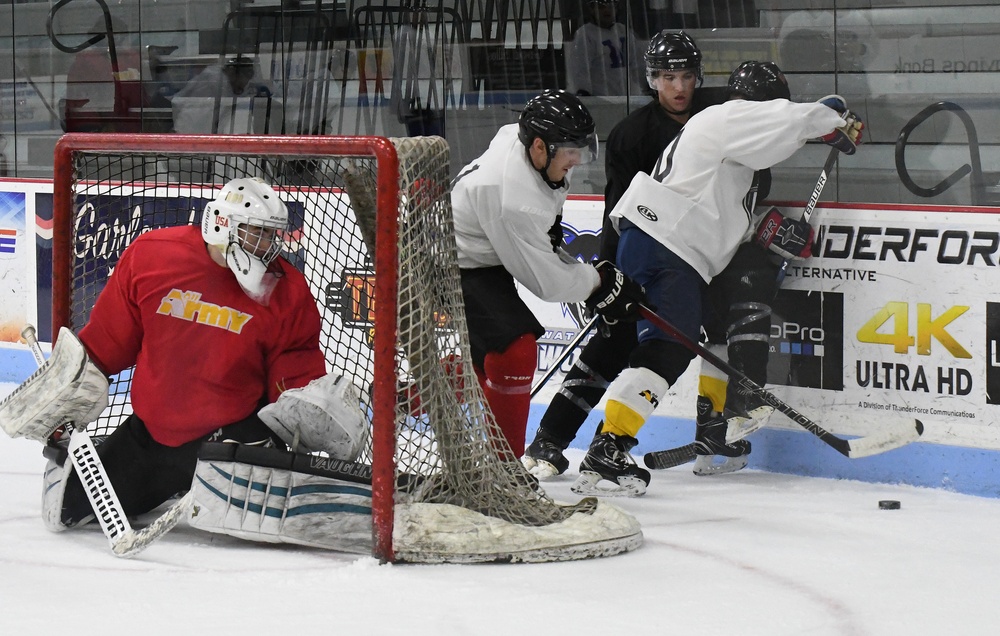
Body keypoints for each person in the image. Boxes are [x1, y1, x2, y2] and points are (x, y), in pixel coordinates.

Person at [5, 177, 367, 532]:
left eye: (273, 235)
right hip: (152, 437)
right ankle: (162, 479)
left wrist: (308, 406)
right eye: (260, 233)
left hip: (232, 441)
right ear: (225, 224)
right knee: (65, 511)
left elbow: (293, 372)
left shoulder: (286, 290)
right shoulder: (153, 255)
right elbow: (108, 341)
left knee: (265, 528)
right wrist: (64, 395)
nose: (270, 245)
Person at [569, 61, 863, 496]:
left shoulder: (733, 157)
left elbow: (720, 219)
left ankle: (714, 433)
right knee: (669, 347)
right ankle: (608, 446)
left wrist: (767, 231)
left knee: (717, 326)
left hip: (672, 246)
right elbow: (788, 120)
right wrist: (828, 116)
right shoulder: (726, 116)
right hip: (663, 243)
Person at [525, 30, 722, 477]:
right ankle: (550, 442)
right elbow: (618, 208)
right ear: (652, 80)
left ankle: (599, 443)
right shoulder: (633, 134)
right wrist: (609, 273)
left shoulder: (716, 123)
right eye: (668, 77)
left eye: (687, 76)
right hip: (642, 255)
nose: (679, 87)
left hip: (696, 257)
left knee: (675, 343)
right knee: (613, 342)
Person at [451, 88, 647, 459]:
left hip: (481, 250)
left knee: (485, 359)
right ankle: (504, 471)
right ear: (539, 147)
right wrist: (598, 282)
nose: (576, 160)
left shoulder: (528, 144)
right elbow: (547, 283)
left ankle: (408, 396)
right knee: (514, 352)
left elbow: (544, 239)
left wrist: (582, 269)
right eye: (569, 151)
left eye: (580, 149)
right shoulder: (512, 198)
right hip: (452, 261)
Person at [565, 0, 645, 96]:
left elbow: (638, 63)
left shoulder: (623, 31)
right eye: (601, 7)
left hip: (626, 97)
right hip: (600, 99)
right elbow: (579, 68)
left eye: (611, 6)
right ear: (592, 9)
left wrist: (647, 84)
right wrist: (583, 91)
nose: (607, 10)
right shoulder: (585, 34)